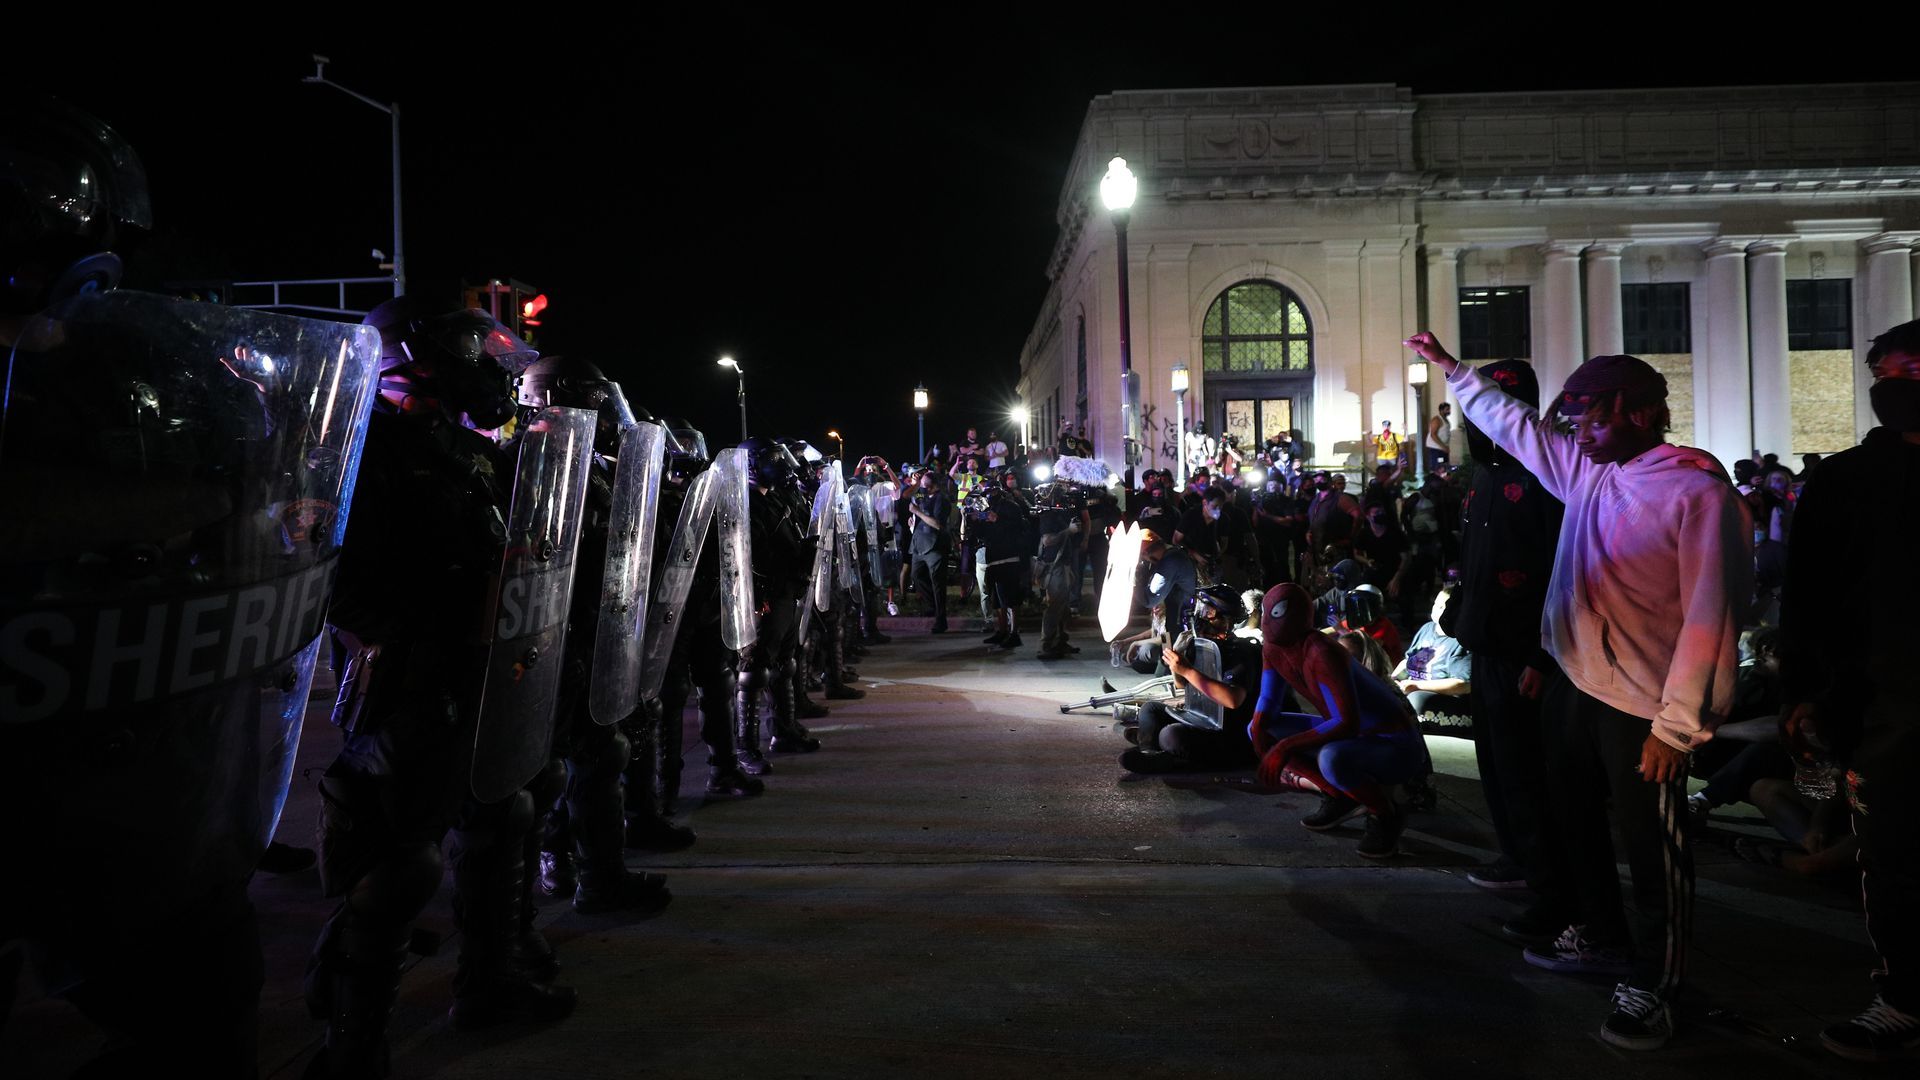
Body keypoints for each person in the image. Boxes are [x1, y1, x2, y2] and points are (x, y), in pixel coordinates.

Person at [1406, 330, 1751, 1052]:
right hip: (1576, 684)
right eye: (1578, 419)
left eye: (1595, 417)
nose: (1580, 432)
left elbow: (1711, 615)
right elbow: (1520, 429)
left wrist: (1677, 725)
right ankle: (1599, 932)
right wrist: (1454, 374)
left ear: (1643, 413)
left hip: (1644, 708)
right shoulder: (1590, 470)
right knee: (1571, 820)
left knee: (1652, 845)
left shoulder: (1698, 494)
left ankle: (1659, 981)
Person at [1778, 318, 1920, 1063]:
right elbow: (1809, 597)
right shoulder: (1844, 482)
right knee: (1892, 855)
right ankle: (1904, 996)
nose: (1904, 385)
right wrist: (1806, 692)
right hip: (1887, 701)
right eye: (1893, 372)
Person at [1444, 359, 1566, 896]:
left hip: (1526, 650)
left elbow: (1563, 570)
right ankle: (1515, 854)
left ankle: (1545, 873)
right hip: (1485, 641)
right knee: (1494, 762)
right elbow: (1475, 555)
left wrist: (1545, 655)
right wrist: (1461, 604)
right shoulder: (1484, 479)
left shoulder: (1548, 478)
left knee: (1526, 767)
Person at [1251, 583, 1425, 858]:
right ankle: (1339, 795)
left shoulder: (1321, 651)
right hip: (1357, 736)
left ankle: (1385, 814)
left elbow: (1346, 722)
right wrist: (1260, 729)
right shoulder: (1273, 648)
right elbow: (1268, 700)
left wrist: (1284, 748)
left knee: (1331, 757)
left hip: (1394, 744)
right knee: (1259, 728)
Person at [1121, 586, 1264, 774]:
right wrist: (1177, 660)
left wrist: (1187, 670)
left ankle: (1163, 751)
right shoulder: (1204, 644)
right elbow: (1182, 684)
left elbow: (1232, 699)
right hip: (1201, 716)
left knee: (1170, 734)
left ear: (1225, 620)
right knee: (1151, 709)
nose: (1200, 616)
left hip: (1229, 731)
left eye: (1206, 612)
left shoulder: (1240, 650)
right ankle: (1150, 751)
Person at [1393, 588, 1473, 735]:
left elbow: (1464, 685)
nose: (1437, 610)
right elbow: (1407, 661)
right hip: (1412, 688)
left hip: (1446, 699)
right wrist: (1392, 681)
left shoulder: (1460, 640)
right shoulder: (1427, 628)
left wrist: (1416, 685)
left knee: (1415, 699)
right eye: (1436, 605)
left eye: (1443, 607)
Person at [1035, 482, 1089, 659]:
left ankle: (1060, 640)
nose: (1065, 497)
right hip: (1054, 566)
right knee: (1055, 605)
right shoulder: (1048, 516)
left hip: (1063, 565)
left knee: (1063, 607)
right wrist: (1069, 531)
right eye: (1060, 494)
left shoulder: (1060, 513)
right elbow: (1048, 541)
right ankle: (1047, 644)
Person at [906, 466, 953, 633]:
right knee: (916, 575)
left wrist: (918, 513)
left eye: (924, 480)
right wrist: (914, 520)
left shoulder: (942, 499)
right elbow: (907, 496)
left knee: (938, 584)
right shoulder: (923, 495)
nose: (921, 482)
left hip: (935, 546)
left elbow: (937, 524)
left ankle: (941, 620)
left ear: (932, 484)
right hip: (919, 544)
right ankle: (932, 606)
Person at [1426, 401, 1454, 472]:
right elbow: (1433, 434)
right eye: (1447, 409)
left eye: (1449, 409)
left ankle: (1443, 481)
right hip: (1436, 450)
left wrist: (1446, 447)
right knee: (1438, 468)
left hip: (1442, 449)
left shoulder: (1446, 420)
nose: (1449, 411)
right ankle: (1436, 482)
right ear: (1441, 410)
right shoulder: (1436, 420)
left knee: (1444, 467)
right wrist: (1443, 447)